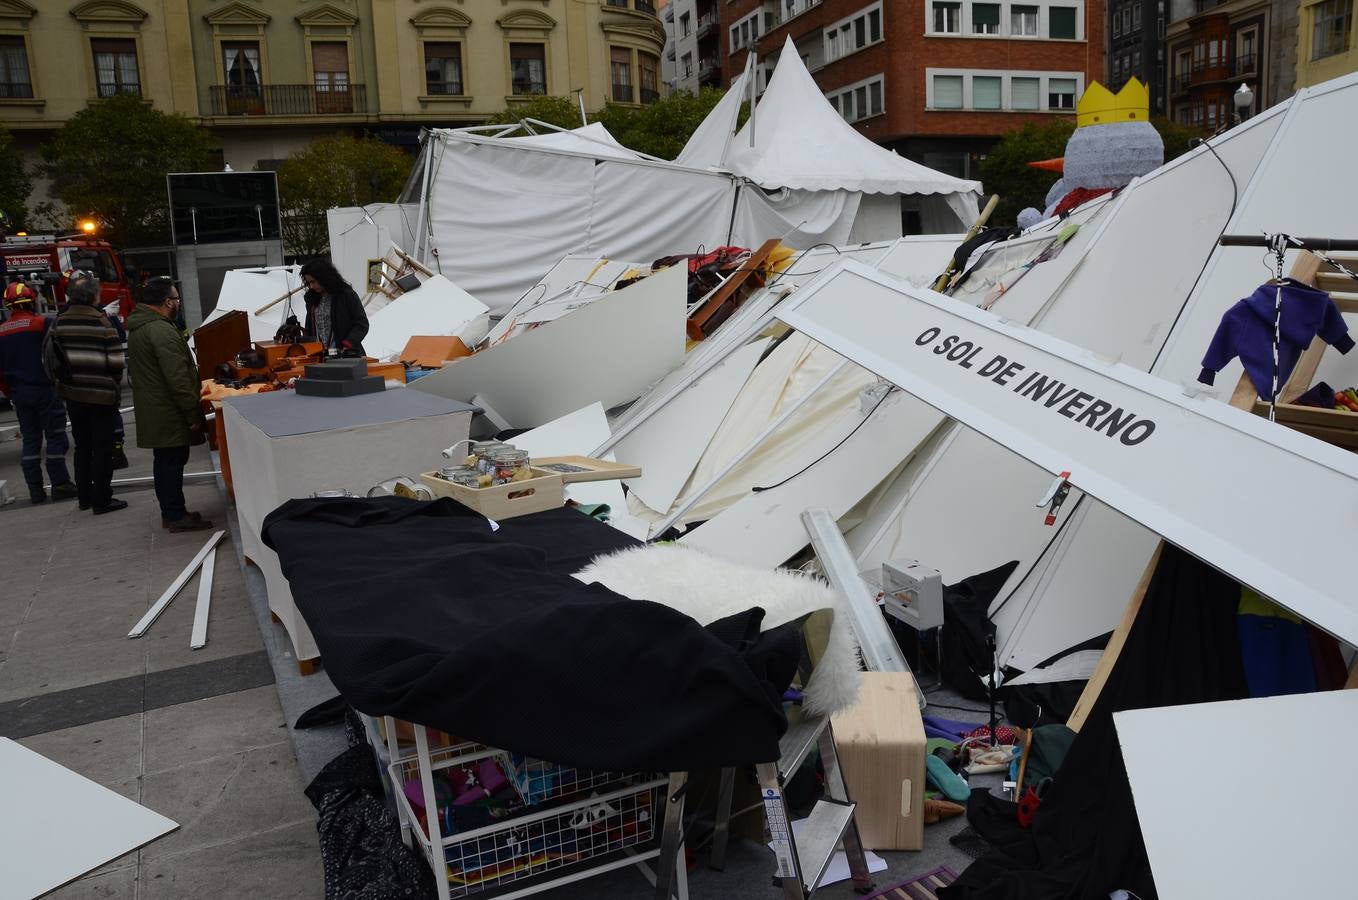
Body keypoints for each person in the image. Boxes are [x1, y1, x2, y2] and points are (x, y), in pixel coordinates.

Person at [127, 277, 212, 532]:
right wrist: (192, 412)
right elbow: (177, 376)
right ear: (166, 302)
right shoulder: (160, 329)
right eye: (176, 299)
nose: (178, 304)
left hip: (158, 406)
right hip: (167, 409)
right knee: (171, 462)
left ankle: (174, 511)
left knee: (167, 461)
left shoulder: (145, 326)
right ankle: (175, 515)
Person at [48, 270, 126, 514]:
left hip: (73, 395)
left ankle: (84, 498)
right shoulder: (102, 321)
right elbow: (116, 363)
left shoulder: (59, 322)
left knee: (82, 446)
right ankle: (102, 499)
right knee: (102, 447)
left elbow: (51, 358)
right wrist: (110, 385)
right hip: (100, 395)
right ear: (93, 296)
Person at [0, 282, 77, 504]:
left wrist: (11, 391)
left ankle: (35, 490)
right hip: (45, 389)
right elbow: (59, 355)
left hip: (19, 394)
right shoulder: (44, 323)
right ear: (32, 301)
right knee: (55, 437)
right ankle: (61, 484)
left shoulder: (2, 332)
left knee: (30, 440)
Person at [300, 258, 368, 356]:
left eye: (313, 282)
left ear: (323, 277)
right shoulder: (311, 298)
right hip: (321, 356)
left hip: (347, 356)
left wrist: (348, 343)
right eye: (309, 283)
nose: (311, 286)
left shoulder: (346, 295)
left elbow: (362, 323)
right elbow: (310, 327)